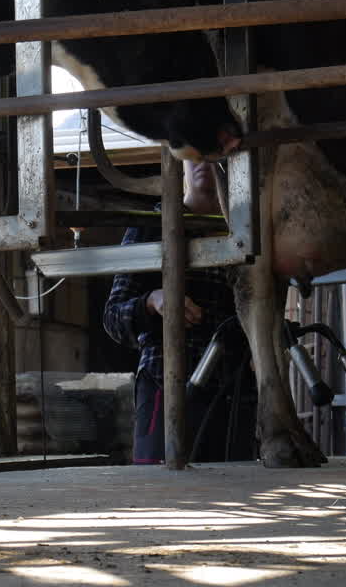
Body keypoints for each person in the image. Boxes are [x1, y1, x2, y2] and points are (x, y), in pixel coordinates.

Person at [102, 160, 251, 464]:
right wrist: (153, 301)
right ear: (179, 162)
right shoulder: (149, 226)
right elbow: (113, 317)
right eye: (192, 152)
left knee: (237, 491)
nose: (203, 162)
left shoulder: (247, 227)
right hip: (165, 385)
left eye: (212, 153)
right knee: (160, 496)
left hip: (234, 393)